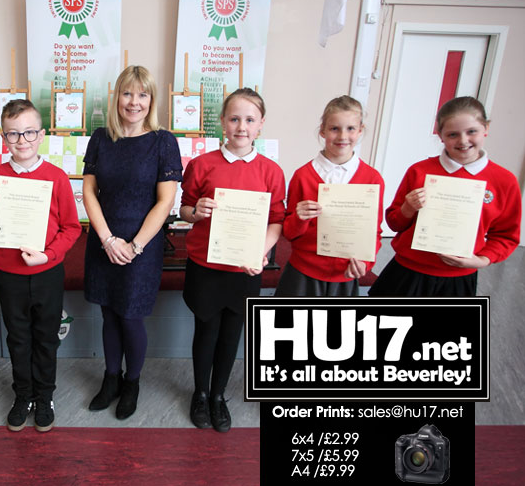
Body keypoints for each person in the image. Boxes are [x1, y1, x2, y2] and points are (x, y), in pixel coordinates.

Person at [179, 88, 285, 432]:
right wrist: (195, 212)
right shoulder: (201, 165)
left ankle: (218, 396)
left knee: (231, 334)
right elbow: (184, 209)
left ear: (261, 124)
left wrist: (261, 250)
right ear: (223, 122)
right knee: (206, 331)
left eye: (250, 120)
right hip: (206, 265)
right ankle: (200, 392)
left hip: (245, 266)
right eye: (235, 119)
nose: (242, 126)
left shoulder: (271, 171)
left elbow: (276, 220)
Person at [82, 66, 183, 420]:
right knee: (109, 313)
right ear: (117, 97)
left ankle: (132, 382)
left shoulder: (163, 142)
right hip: (104, 240)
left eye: (142, 94)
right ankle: (111, 378)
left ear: (152, 100)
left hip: (143, 245)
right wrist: (108, 239)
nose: (134, 102)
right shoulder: (100, 138)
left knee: (131, 317)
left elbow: (165, 202)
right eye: (127, 93)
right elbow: (89, 192)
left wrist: (134, 246)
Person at [0, 99, 81, 432]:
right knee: (18, 339)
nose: (22, 140)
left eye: (29, 132)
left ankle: (45, 396)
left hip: (47, 272)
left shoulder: (56, 177)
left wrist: (48, 255)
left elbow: (71, 228)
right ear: (3, 137)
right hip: (9, 275)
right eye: (13, 134)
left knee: (46, 338)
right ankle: (23, 395)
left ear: (42, 134)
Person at [369, 96, 520, 296]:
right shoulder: (419, 171)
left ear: (486, 128)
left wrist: (483, 259)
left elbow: (506, 235)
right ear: (440, 135)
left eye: (471, 131)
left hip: (458, 277)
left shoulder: (504, 180)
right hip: (408, 270)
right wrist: (408, 208)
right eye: (453, 134)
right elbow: (394, 223)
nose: (463, 140)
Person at [275, 95, 384, 296]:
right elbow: (289, 233)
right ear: (323, 131)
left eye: (350, 128)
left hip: (344, 274)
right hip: (304, 272)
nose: (343, 136)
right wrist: (299, 218)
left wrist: (365, 262)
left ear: (360, 130)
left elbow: (373, 231)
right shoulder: (303, 176)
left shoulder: (372, 178)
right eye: (335, 128)